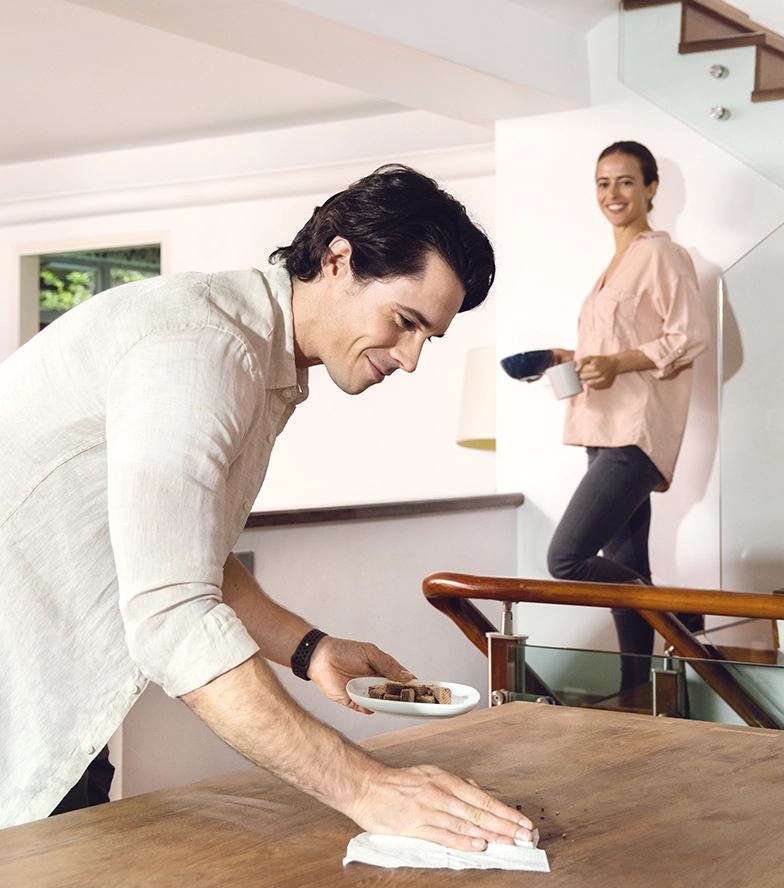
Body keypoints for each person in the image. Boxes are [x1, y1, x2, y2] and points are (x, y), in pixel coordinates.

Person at [0, 163, 533, 849]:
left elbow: (192, 555)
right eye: (404, 322)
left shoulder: (253, 354)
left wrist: (310, 650)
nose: (410, 359)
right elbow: (173, 618)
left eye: (427, 337)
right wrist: (367, 787)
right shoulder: (203, 351)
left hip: (53, 715)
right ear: (338, 257)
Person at [546, 141, 709, 691]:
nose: (612, 194)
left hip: (635, 435)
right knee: (625, 568)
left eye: (625, 182)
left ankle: (680, 614)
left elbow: (690, 336)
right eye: (602, 183)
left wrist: (617, 362)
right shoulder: (612, 266)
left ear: (651, 189)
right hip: (601, 430)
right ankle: (638, 693)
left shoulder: (661, 254)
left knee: (567, 559)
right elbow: (617, 345)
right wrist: (572, 360)